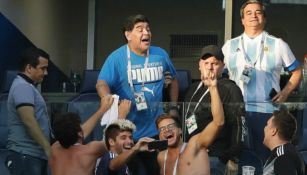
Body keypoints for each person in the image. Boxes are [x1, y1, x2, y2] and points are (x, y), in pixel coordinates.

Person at [96, 14, 179, 175]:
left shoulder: (160, 54)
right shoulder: (116, 58)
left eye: (148, 29)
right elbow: (101, 83)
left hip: (156, 131)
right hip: (129, 135)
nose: (146, 33)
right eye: (140, 30)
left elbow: (174, 79)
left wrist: (174, 106)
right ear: (128, 35)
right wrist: (107, 97)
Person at [222, 0, 302, 161]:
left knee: (265, 160)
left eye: (258, 12)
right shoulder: (229, 46)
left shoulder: (278, 44)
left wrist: (285, 92)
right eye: (249, 13)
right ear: (242, 20)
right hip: (237, 113)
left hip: (267, 113)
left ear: (264, 18)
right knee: (238, 161)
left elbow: (297, 71)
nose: (254, 16)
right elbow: (223, 79)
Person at [184, 45, 245, 175]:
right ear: (199, 65)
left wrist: (233, 157)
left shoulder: (230, 88)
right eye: (206, 63)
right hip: (191, 153)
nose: (210, 67)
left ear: (222, 66)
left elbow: (239, 125)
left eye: (215, 63)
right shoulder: (193, 88)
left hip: (216, 157)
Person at [156, 66, 225, 175]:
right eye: (162, 129)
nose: (166, 130)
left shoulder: (194, 146)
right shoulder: (161, 157)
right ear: (159, 136)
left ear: (180, 130)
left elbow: (218, 122)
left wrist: (212, 88)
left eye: (170, 126)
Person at [50, 98, 131, 175]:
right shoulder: (90, 150)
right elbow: (113, 142)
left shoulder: (54, 148)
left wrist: (102, 110)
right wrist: (122, 115)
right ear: (80, 134)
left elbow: (79, 132)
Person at [5, 47, 51, 175]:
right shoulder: (23, 87)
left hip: (31, 155)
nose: (46, 73)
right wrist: (47, 147)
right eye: (43, 68)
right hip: (26, 155)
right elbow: (28, 120)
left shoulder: (28, 87)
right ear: (29, 68)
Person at [263, 109, 305, 175]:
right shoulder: (284, 153)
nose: (264, 128)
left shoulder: (284, 158)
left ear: (273, 131)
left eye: (267, 125)